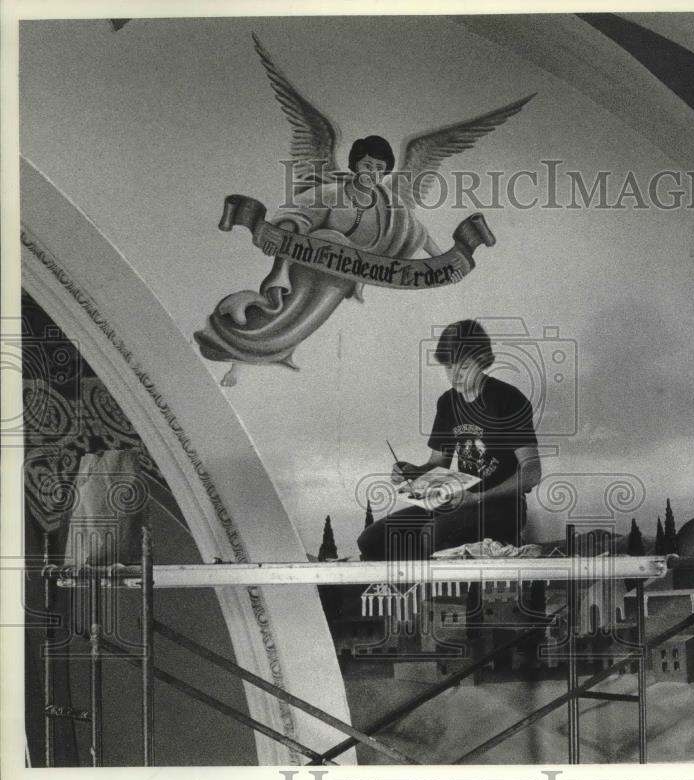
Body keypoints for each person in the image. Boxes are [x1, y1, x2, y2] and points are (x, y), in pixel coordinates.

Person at [197, 136, 441, 385]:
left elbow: (418, 234)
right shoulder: (331, 193)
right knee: (273, 315)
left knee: (297, 329)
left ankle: (252, 362)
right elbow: (297, 215)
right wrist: (282, 233)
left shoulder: (389, 208)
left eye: (380, 169)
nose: (373, 174)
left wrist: (441, 259)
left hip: (337, 283)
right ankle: (236, 365)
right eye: (368, 165)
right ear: (356, 165)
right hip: (303, 269)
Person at [357, 320, 542, 560]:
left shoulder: (508, 399)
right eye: (449, 367)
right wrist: (411, 472)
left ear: (482, 361)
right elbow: (438, 465)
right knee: (372, 540)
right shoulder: (448, 402)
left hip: (505, 507)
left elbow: (532, 472)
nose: (454, 375)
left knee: (431, 534)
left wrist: (477, 497)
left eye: (463, 367)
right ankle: (410, 592)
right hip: (458, 501)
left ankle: (437, 594)